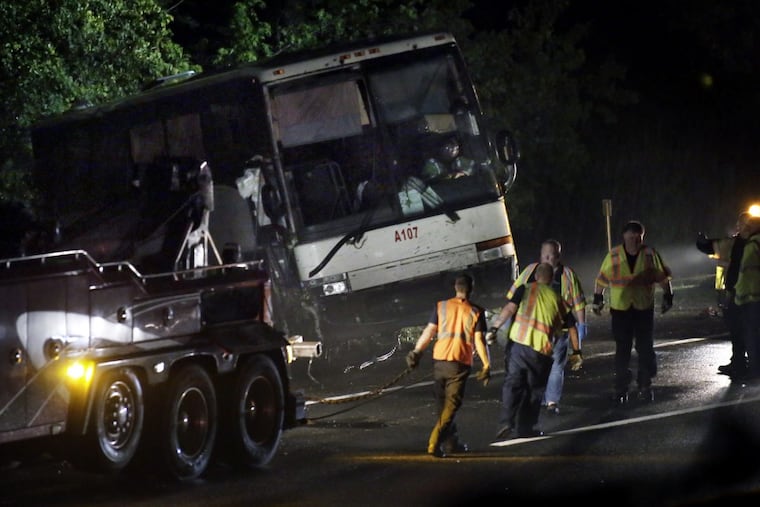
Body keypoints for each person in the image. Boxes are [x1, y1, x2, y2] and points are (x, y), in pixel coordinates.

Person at [486, 263, 581, 439]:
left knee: (512, 384)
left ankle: (506, 421)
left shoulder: (524, 289)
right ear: (552, 279)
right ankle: (525, 428)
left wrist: (494, 328)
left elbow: (509, 309)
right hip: (540, 352)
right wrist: (577, 352)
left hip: (518, 346)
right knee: (533, 391)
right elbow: (572, 327)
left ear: (536, 276)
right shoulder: (557, 298)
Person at [405, 273, 491, 457]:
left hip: (440, 360)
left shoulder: (441, 306)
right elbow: (479, 341)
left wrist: (417, 352)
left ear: (456, 288)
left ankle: (452, 444)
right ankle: (434, 441)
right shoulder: (476, 311)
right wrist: (486, 365)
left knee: (442, 405)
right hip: (459, 363)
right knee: (451, 407)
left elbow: (429, 331)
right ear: (472, 288)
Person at [591, 220, 673, 403]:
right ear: (624, 236)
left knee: (645, 348)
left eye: (639, 237)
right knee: (623, 350)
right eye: (632, 236)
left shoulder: (650, 254)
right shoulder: (613, 255)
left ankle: (644, 385)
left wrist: (668, 295)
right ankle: (621, 388)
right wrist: (598, 299)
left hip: (643, 307)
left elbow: (662, 276)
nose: (635, 240)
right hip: (621, 309)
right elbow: (602, 279)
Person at [505, 239, 587, 415]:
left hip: (559, 332)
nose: (549, 259)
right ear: (541, 255)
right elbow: (513, 296)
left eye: (553, 256)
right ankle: (536, 400)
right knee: (535, 368)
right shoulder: (530, 271)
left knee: (556, 367)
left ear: (559, 256)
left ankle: (551, 402)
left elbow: (578, 303)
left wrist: (581, 325)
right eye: (546, 255)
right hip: (532, 333)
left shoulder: (568, 275)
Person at [696, 211, 751, 378]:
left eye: (743, 224)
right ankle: (740, 362)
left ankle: (744, 363)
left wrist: (702, 243)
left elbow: (712, 247)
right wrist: (702, 242)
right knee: (739, 330)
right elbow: (711, 246)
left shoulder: (744, 243)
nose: (740, 227)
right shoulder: (734, 244)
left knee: (745, 330)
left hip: (748, 295)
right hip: (738, 294)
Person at [733, 214, 760, 380]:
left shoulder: (752, 244)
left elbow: (746, 274)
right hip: (753, 297)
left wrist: (737, 296)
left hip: (751, 299)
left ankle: (755, 369)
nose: (743, 228)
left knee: (752, 334)